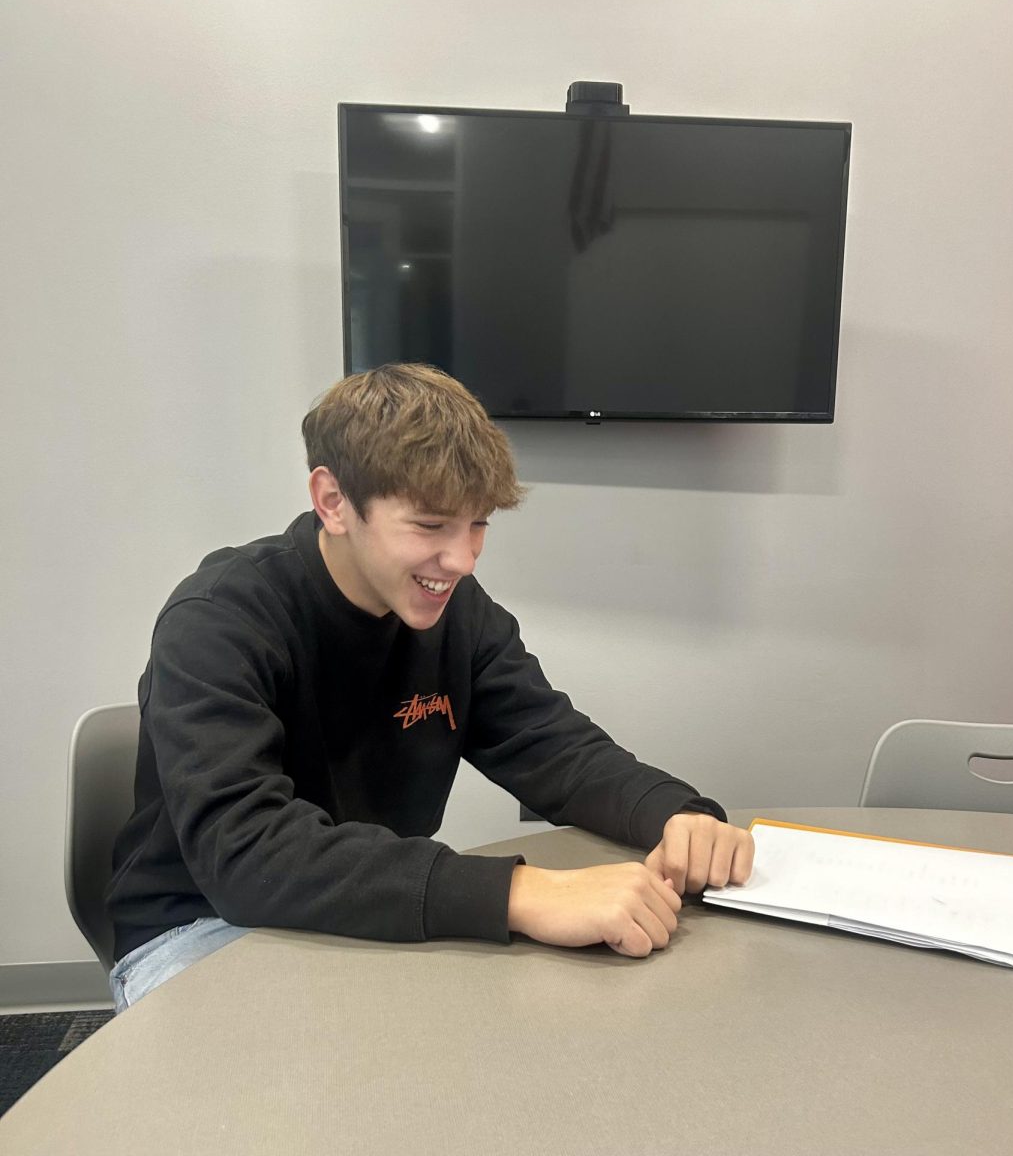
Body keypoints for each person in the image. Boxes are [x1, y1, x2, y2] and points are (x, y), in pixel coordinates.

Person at [105, 364, 754, 1010]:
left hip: (366, 914)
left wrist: (677, 815)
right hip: (200, 924)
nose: (463, 559)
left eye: (478, 526)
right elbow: (245, 855)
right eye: (430, 525)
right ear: (333, 501)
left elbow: (556, 748)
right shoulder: (220, 617)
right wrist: (521, 894)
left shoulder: (458, 616)